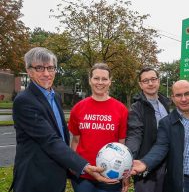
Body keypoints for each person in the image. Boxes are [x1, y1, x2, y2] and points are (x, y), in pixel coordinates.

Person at [11, 47, 116, 192]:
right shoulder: (25, 101)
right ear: (29, 71)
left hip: (56, 176)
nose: (46, 73)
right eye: (39, 68)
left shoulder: (55, 97)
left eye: (50, 68)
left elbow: (61, 136)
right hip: (35, 178)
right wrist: (83, 166)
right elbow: (50, 140)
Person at [68, 63, 129, 192]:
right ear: (90, 80)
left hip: (110, 175)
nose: (100, 82)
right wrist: (73, 165)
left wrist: (125, 173)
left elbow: (121, 144)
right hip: (83, 174)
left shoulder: (121, 109)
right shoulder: (78, 108)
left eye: (104, 79)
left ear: (110, 81)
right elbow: (75, 141)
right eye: (96, 78)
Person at [125, 67, 170, 192]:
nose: (150, 83)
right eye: (145, 81)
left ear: (158, 81)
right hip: (145, 167)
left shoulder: (166, 103)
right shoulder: (136, 108)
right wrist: (129, 161)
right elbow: (134, 135)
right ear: (140, 84)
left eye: (153, 79)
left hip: (168, 165)